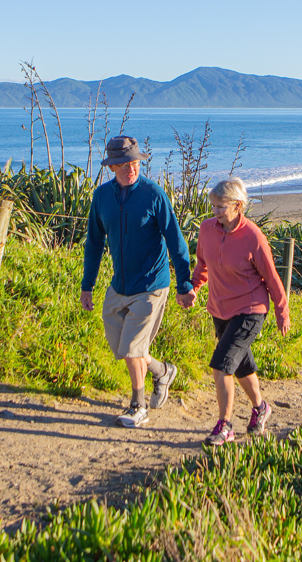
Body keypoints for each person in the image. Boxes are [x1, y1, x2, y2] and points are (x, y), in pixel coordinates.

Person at [81, 135, 194, 428]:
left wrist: (184, 285)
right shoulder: (102, 197)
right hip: (120, 286)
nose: (130, 169)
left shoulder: (154, 194)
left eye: (134, 162)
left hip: (152, 285)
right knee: (123, 347)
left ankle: (137, 405)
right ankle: (163, 371)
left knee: (132, 347)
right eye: (123, 164)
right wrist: (87, 285)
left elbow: (175, 241)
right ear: (111, 168)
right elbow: (93, 244)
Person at [180, 176, 290, 446]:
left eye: (221, 207)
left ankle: (225, 425)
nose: (215, 212)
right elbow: (203, 265)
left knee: (222, 365)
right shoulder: (207, 229)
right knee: (240, 365)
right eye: (213, 206)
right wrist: (193, 287)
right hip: (220, 308)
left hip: (250, 309)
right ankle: (261, 407)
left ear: (238, 206)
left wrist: (282, 312)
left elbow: (272, 278)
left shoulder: (253, 236)